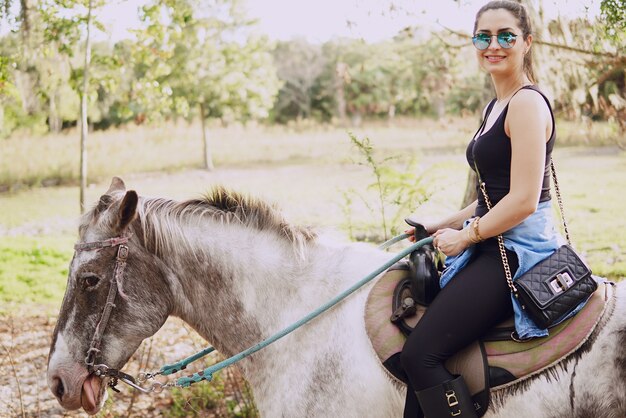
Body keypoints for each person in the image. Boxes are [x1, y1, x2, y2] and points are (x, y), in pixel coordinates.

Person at [401, 1, 564, 417]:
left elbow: (524, 200)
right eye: (483, 37)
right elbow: (493, 195)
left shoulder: (526, 104)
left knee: (420, 354)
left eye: (506, 35)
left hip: (515, 251)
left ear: (527, 42)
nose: (494, 45)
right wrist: (438, 225)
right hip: (492, 239)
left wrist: (466, 236)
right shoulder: (495, 106)